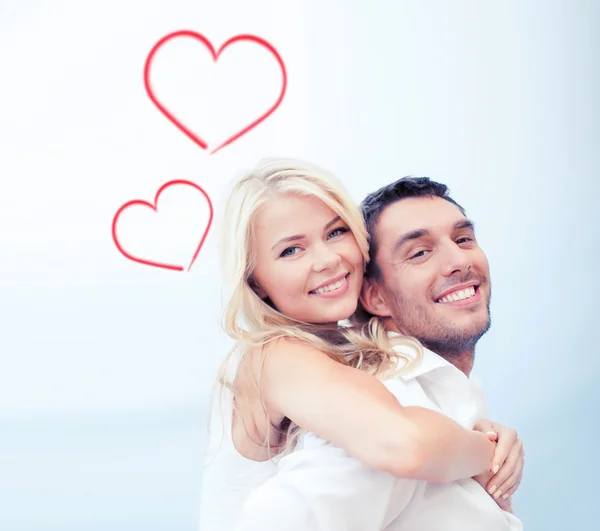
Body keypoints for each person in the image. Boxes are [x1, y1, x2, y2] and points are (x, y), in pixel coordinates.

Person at [198, 159, 523, 531]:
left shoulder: (360, 354)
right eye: (291, 250)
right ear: (256, 283)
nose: (327, 260)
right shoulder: (272, 356)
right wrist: (489, 451)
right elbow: (405, 444)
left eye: (336, 233)